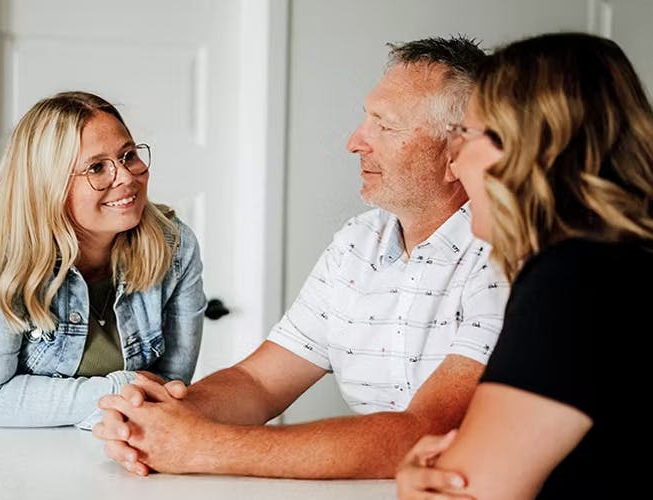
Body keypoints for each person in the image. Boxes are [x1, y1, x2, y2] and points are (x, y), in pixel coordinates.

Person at [92, 36, 509, 478]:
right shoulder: (357, 243)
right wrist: (159, 419)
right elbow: (259, 383)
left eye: (385, 127)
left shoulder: (505, 257)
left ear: (456, 156)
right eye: (366, 118)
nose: (355, 142)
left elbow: (421, 433)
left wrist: (203, 446)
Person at [395, 32, 653, 499]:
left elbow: (466, 491)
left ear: (526, 147)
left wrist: (416, 477)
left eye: (466, 134)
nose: (454, 161)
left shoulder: (577, 277)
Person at [0, 91, 206, 429]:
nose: (126, 177)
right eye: (97, 167)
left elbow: (167, 392)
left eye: (128, 156)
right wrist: (119, 388)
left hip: (119, 456)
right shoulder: (0, 263)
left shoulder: (175, 248)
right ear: (47, 186)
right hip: (3, 460)